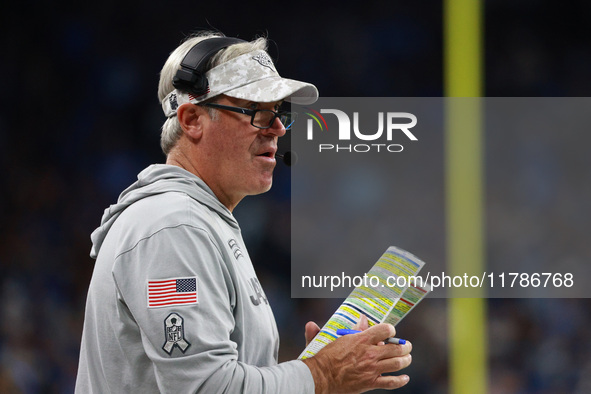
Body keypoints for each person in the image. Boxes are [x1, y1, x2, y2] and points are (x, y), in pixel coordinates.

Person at [75, 31, 412, 393]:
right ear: (191, 120)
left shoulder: (199, 220)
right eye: (257, 112)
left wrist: (321, 370)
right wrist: (322, 374)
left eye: (279, 113)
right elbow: (207, 388)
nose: (278, 128)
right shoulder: (173, 227)